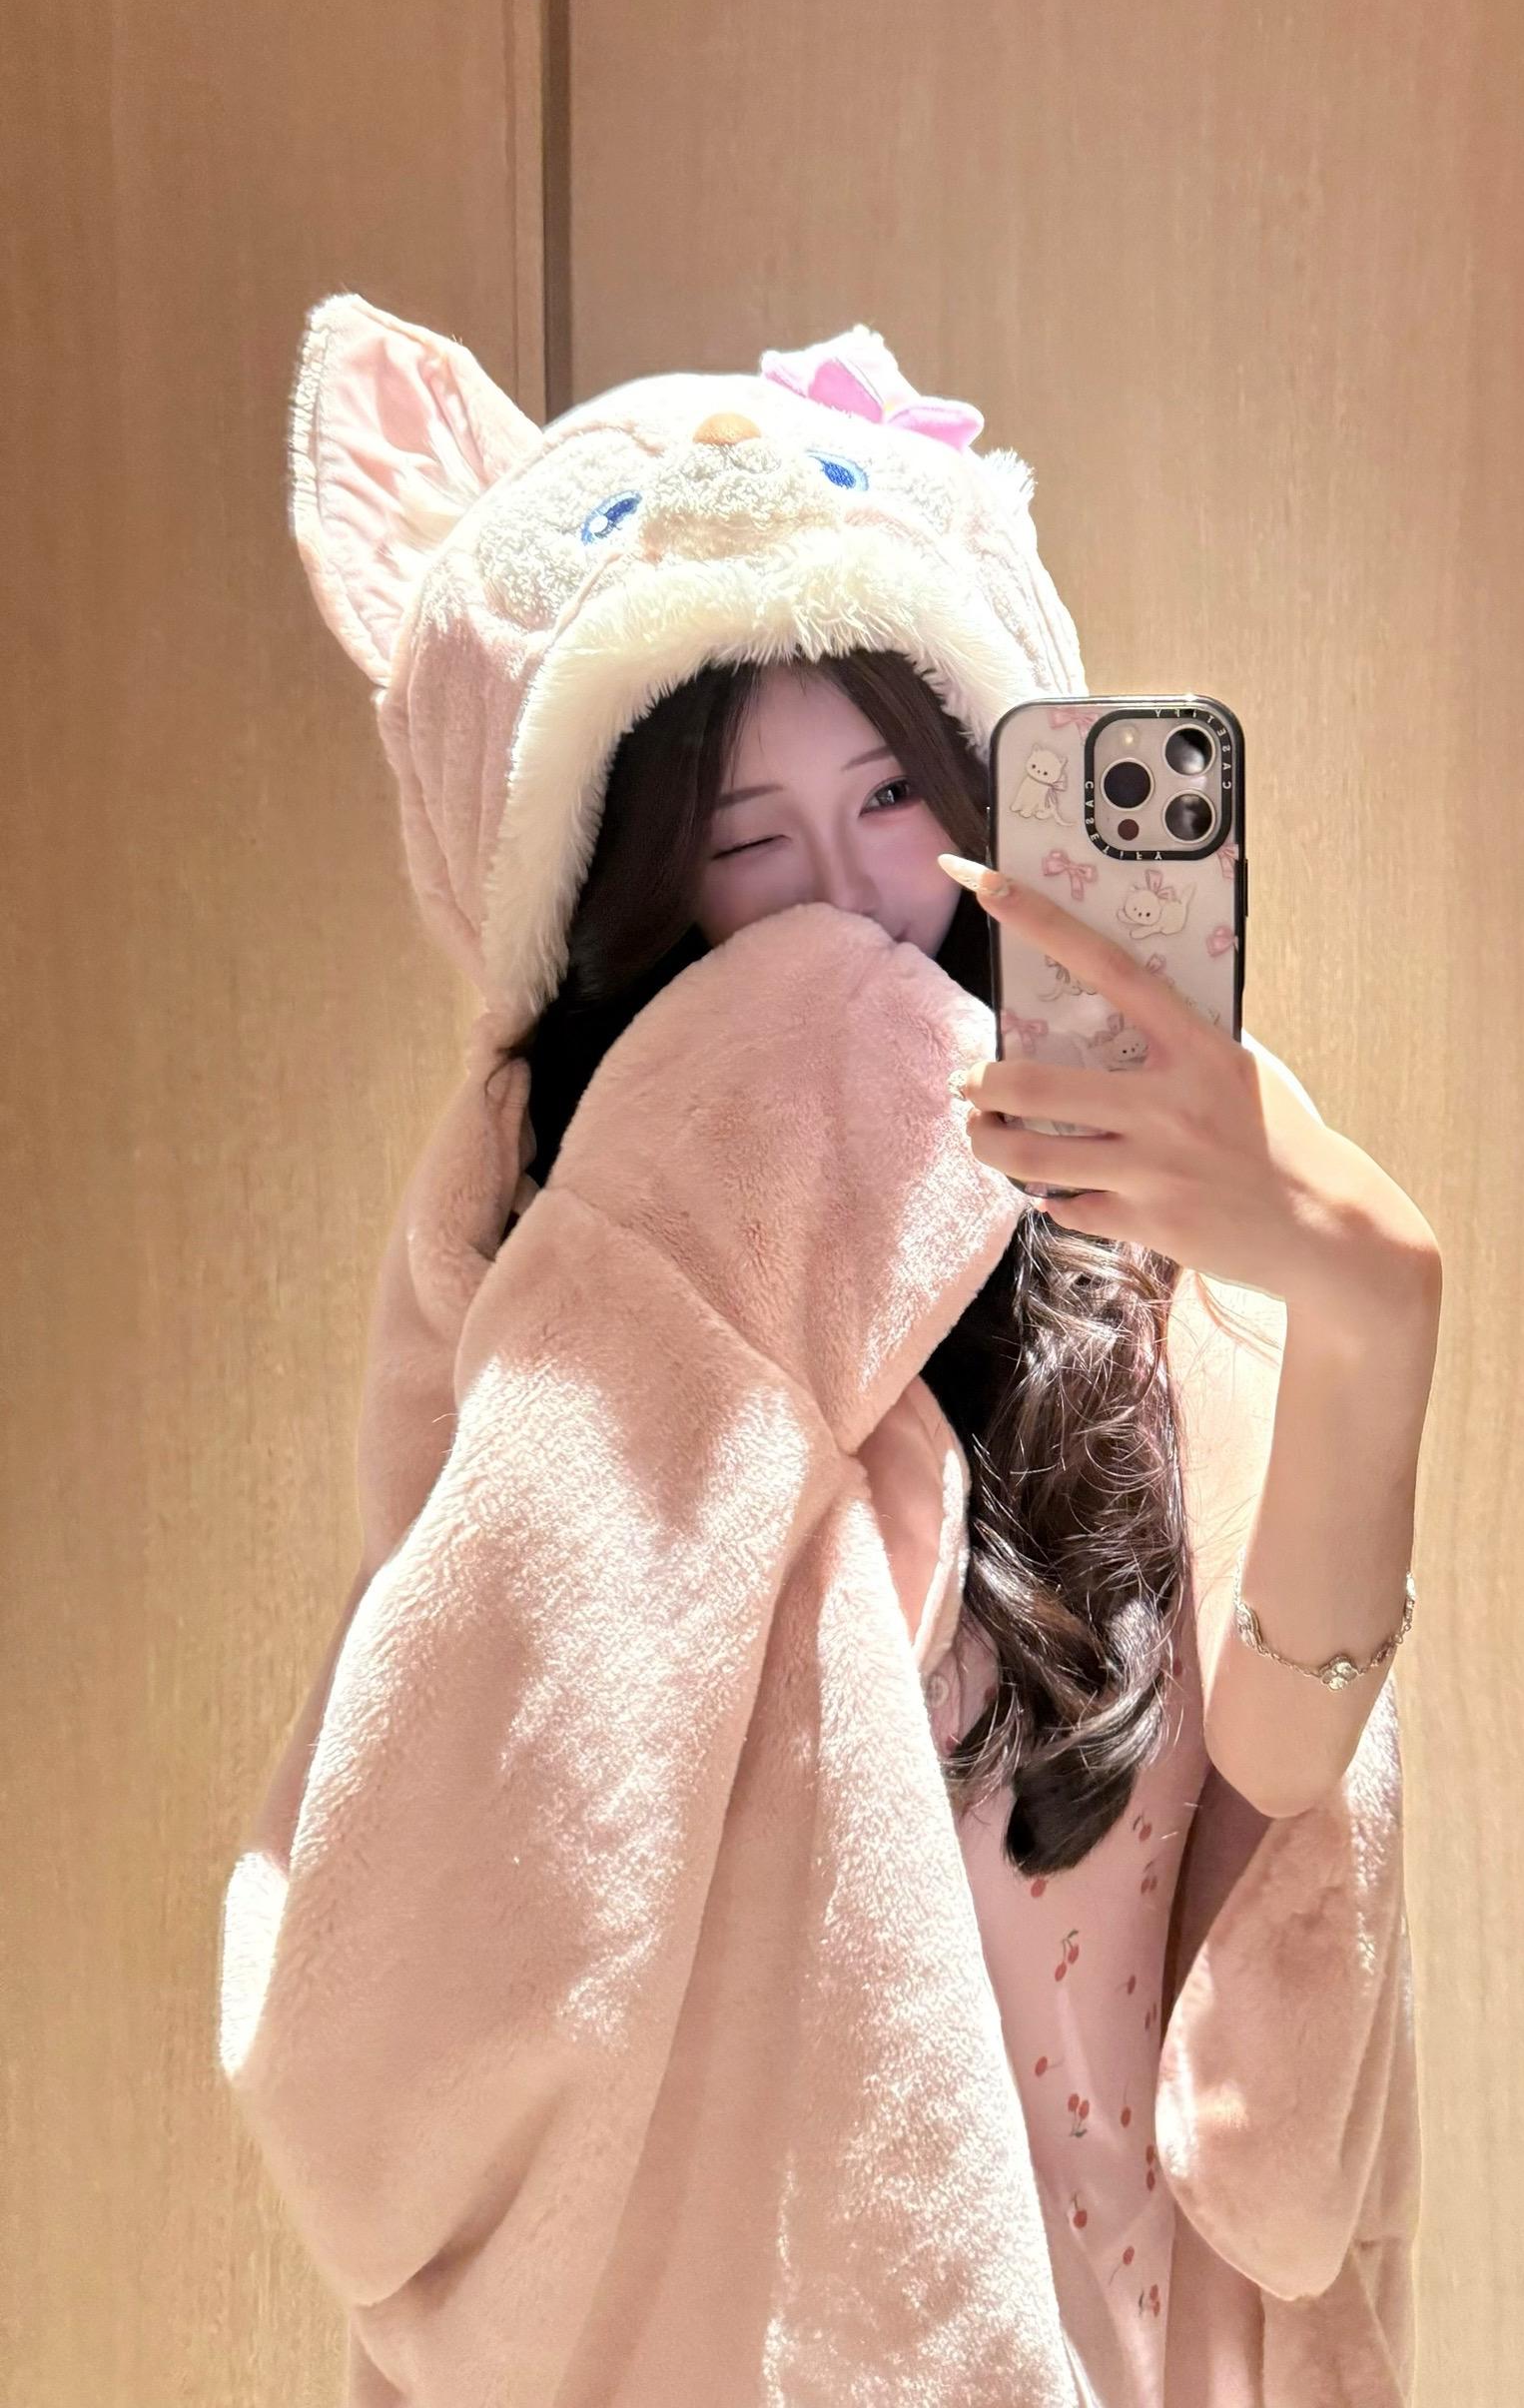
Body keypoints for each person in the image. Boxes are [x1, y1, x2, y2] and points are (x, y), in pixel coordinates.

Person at [219, 300, 1437, 2406]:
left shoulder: (1138, 1201)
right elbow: (428, 1974)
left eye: (891, 795)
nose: (853, 901)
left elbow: (1280, 1816)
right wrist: (702, 1248)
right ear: (620, 897)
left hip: (1145, 2333)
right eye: (741, 838)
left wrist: (1366, 1320)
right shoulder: (550, 1278)